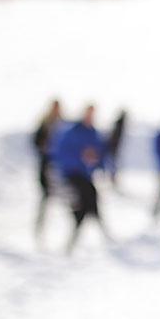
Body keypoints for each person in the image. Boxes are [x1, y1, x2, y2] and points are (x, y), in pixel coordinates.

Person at [53, 104, 109, 251]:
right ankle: (80, 239)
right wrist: (80, 158)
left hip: (86, 175)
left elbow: (100, 153)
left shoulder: (93, 133)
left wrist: (99, 164)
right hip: (72, 174)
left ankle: (96, 236)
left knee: (91, 200)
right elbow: (61, 154)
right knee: (85, 202)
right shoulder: (71, 132)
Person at [32, 99, 65, 237]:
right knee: (45, 196)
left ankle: (60, 229)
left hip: (59, 164)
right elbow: (36, 141)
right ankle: (40, 226)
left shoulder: (63, 124)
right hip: (46, 163)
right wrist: (44, 147)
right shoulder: (44, 123)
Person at [105, 109, 127, 187]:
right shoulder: (119, 125)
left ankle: (112, 178)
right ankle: (111, 178)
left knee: (113, 164)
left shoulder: (119, 124)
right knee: (112, 164)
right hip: (113, 147)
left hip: (114, 147)